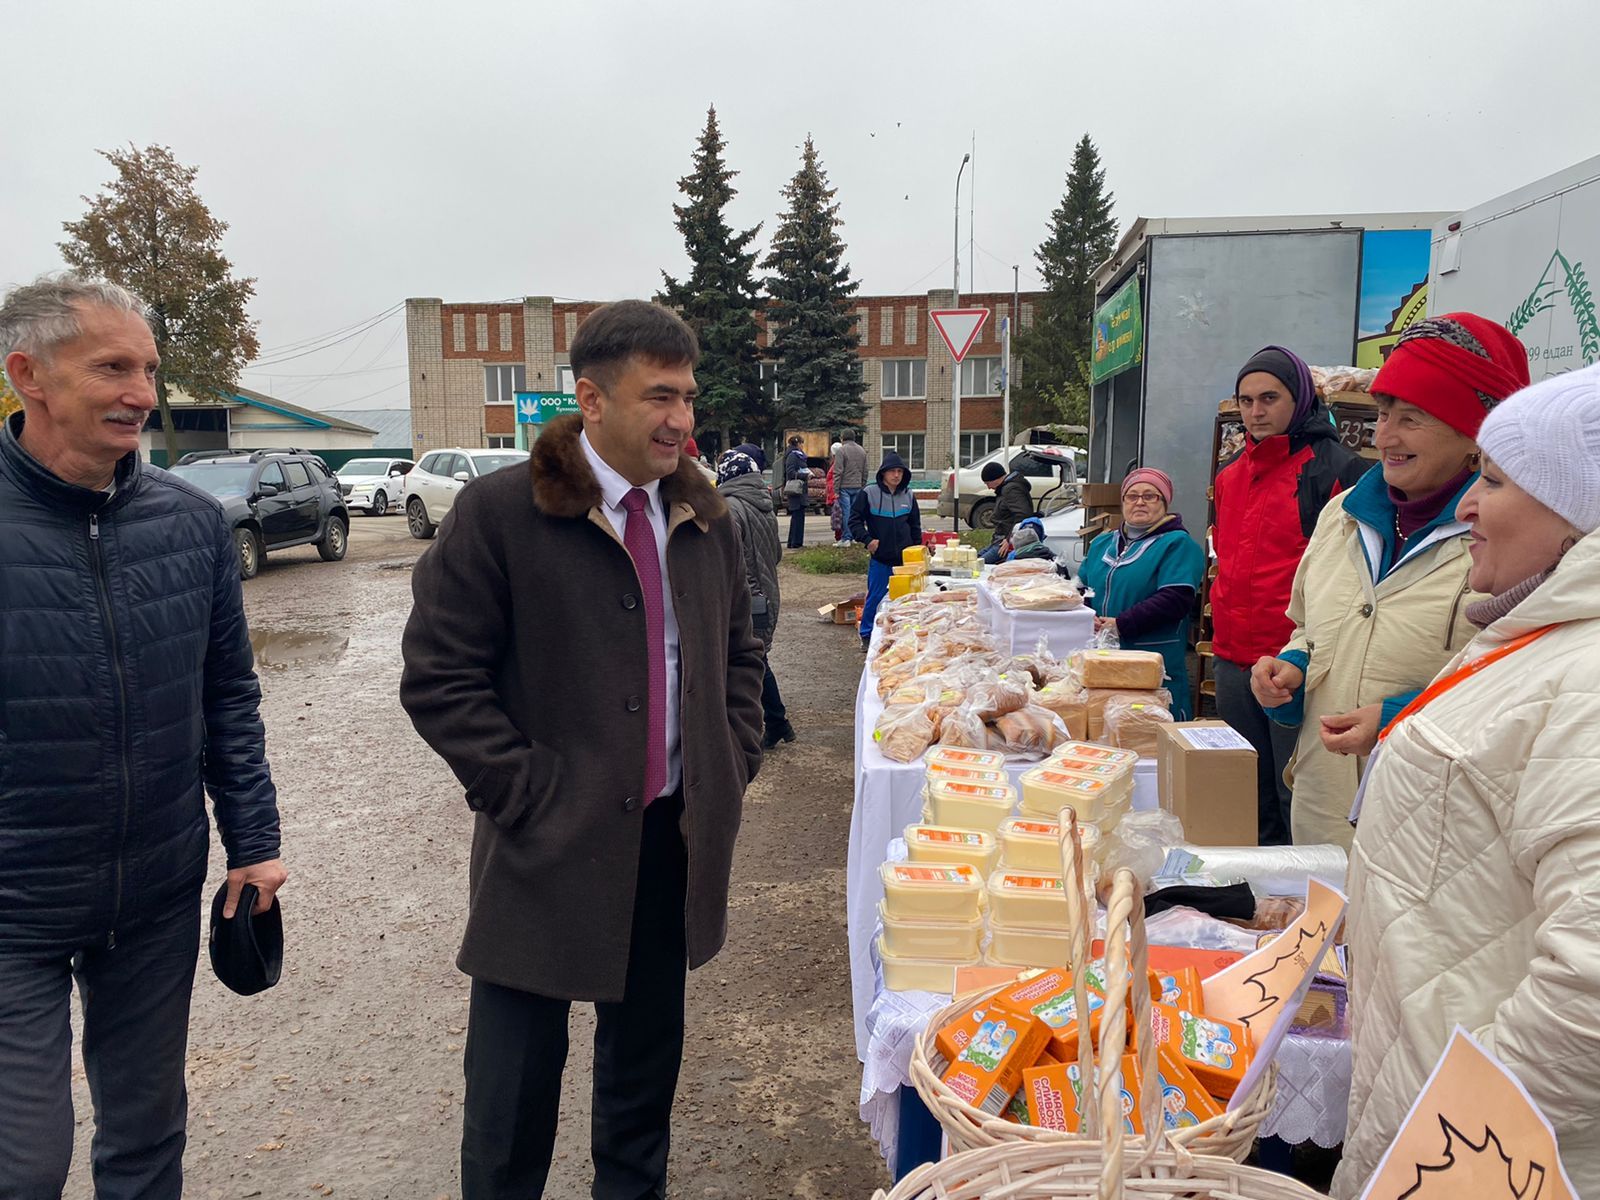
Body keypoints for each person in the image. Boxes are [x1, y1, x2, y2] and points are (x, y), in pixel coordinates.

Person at [400, 300, 765, 1200]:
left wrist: (730, 757)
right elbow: (439, 676)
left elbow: (740, 653)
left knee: (640, 1098)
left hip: (668, 846)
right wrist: (525, 792)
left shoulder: (705, 515)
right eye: (659, 397)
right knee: (510, 1109)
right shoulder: (501, 514)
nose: (681, 418)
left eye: (687, 396)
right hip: (545, 851)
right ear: (592, 400)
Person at [0, 274, 286, 1198]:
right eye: (113, 367)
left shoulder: (194, 525)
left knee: (146, 1140)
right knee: (23, 1163)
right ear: (28, 375)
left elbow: (229, 697)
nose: (142, 393)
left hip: (155, 892)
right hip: (12, 905)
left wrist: (255, 845)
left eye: (150, 369)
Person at [1333, 362, 1600, 1198]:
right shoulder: (1532, 635)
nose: (1471, 504)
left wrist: (1459, 1138)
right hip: (1423, 1082)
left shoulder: (1586, 679)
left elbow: (1588, 985)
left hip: (1470, 1148)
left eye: (1494, 478)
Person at [1249, 314, 1529, 847]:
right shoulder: (1342, 516)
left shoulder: (1511, 538)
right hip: (1324, 810)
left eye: (1413, 417)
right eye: (1383, 412)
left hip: (1433, 827)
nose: (1386, 436)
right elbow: (1311, 630)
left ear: (1474, 434)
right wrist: (1293, 671)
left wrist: (1401, 716)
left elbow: (1526, 689)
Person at [1211, 345, 1369, 845]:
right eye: (1246, 400)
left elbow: (1356, 576)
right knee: (1246, 790)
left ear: (1299, 399)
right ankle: (1258, 902)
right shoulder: (1231, 474)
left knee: (1297, 789)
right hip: (1233, 658)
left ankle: (1302, 903)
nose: (1255, 412)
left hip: (1296, 663)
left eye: (1269, 399)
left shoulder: (1338, 470)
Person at [1077, 467, 1205, 719]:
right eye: (1132, 496)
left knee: (1148, 734)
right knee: (1106, 727)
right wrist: (1084, 614)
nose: (1139, 502)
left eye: (1150, 496)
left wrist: (1121, 624)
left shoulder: (1178, 545)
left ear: (1165, 502)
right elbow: (1080, 587)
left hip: (1150, 662)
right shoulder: (1103, 542)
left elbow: (1174, 600)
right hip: (1101, 658)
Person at [717, 448, 794, 747]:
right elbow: (775, 554)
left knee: (750, 660)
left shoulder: (730, 509)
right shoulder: (762, 505)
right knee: (755, 657)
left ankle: (775, 722)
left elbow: (729, 561)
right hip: (767, 595)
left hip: (746, 598)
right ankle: (776, 722)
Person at [849, 451, 922, 651]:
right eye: (892, 471)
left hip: (905, 560)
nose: (896, 475)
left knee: (906, 600)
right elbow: (853, 521)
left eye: (899, 471)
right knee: (876, 596)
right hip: (881, 559)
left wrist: (920, 550)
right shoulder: (869, 493)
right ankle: (866, 634)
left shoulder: (909, 494)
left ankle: (900, 634)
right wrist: (867, 540)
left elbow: (915, 525)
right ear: (883, 473)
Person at [977, 458, 1035, 564]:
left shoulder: (1011, 490)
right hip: (999, 539)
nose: (988, 487)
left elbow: (1023, 515)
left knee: (979, 565)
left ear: (995, 479)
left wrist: (1009, 539)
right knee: (975, 558)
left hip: (1005, 541)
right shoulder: (1006, 489)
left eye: (988, 483)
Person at [833, 429, 868, 544]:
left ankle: (846, 538)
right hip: (858, 486)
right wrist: (862, 485)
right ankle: (854, 537)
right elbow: (865, 471)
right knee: (855, 513)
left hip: (844, 487)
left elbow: (838, 471)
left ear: (842, 438)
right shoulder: (862, 451)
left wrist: (836, 489)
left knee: (846, 513)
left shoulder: (841, 451)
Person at [782, 434, 810, 548]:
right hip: (795, 490)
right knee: (797, 516)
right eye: (802, 443)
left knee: (799, 516)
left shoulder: (798, 455)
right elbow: (790, 472)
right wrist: (804, 475)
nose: (803, 446)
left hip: (800, 489)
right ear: (798, 444)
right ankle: (795, 543)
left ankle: (795, 542)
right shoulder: (792, 456)